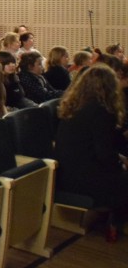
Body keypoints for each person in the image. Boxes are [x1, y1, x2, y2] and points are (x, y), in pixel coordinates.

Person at [54, 65, 128, 241]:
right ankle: (115, 224)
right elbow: (104, 154)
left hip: (68, 172)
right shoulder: (101, 111)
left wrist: (120, 159)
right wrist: (121, 163)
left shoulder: (75, 105)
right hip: (84, 178)